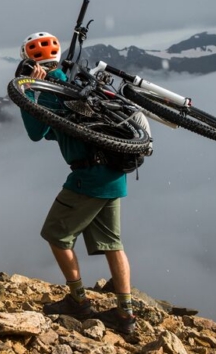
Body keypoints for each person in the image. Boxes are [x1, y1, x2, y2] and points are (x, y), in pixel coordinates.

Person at [15, 31, 140, 335]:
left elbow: (34, 133)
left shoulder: (50, 90)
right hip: (114, 173)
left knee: (56, 235)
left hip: (88, 177)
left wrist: (30, 91)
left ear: (32, 63)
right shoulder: (79, 81)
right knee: (113, 244)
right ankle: (126, 316)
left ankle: (79, 302)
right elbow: (50, 131)